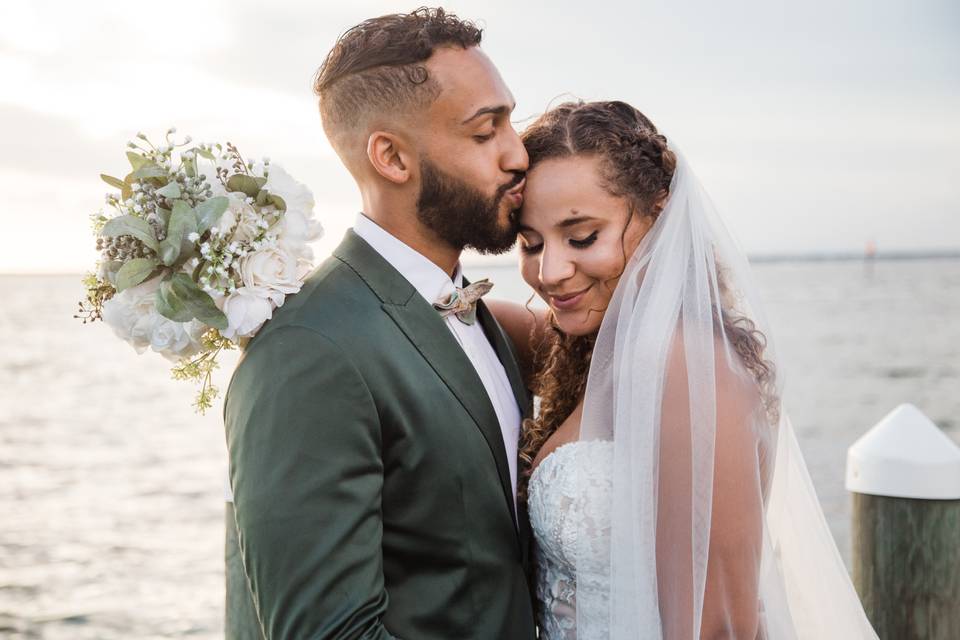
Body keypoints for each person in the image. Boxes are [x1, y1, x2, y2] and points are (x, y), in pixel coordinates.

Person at [489, 100, 879, 638]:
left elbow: (716, 624)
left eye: (582, 238)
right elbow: (467, 313)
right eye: (530, 243)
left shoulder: (689, 369)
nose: (550, 271)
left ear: (659, 216)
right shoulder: (597, 349)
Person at [223, 8, 536, 639]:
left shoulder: (472, 311)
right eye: (485, 133)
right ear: (391, 157)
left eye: (511, 122)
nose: (518, 155)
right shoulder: (309, 349)